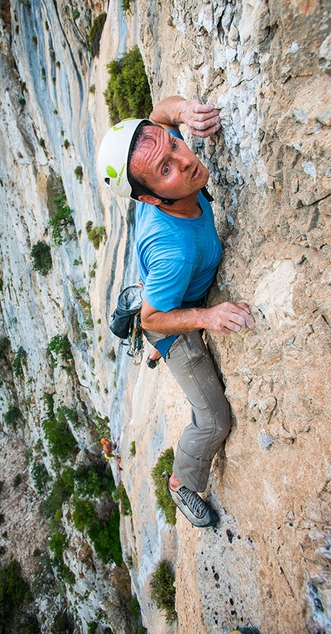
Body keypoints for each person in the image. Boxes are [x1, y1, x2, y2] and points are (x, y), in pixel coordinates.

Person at [97, 96, 255, 528]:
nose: (184, 162)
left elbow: (161, 115)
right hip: (169, 321)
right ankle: (181, 484)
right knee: (213, 419)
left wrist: (183, 112)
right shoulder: (175, 249)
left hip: (172, 285)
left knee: (162, 289)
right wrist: (207, 318)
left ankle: (146, 299)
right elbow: (155, 319)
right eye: (165, 169)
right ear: (148, 198)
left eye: (173, 145)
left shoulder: (168, 161)